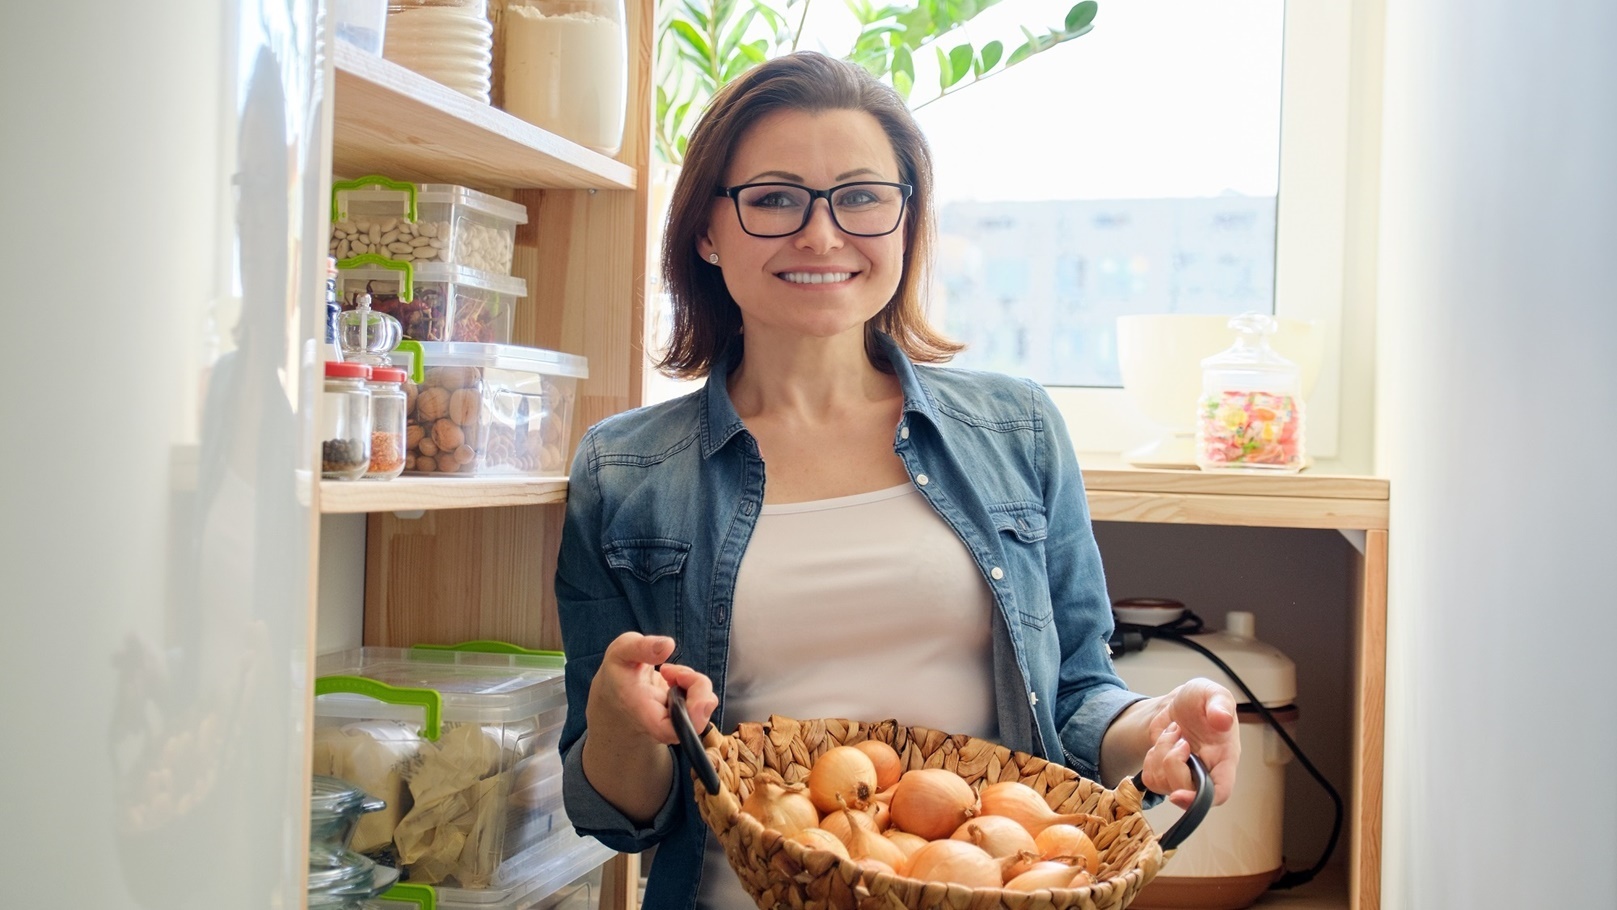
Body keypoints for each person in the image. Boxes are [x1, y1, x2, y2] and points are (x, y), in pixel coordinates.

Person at [555, 50, 1241, 909]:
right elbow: (618, 814)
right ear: (705, 228)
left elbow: (1073, 696)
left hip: (984, 885)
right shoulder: (625, 471)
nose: (820, 233)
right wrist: (623, 725)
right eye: (772, 198)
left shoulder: (1015, 430)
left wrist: (1155, 730)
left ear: (907, 223)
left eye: (861, 197)